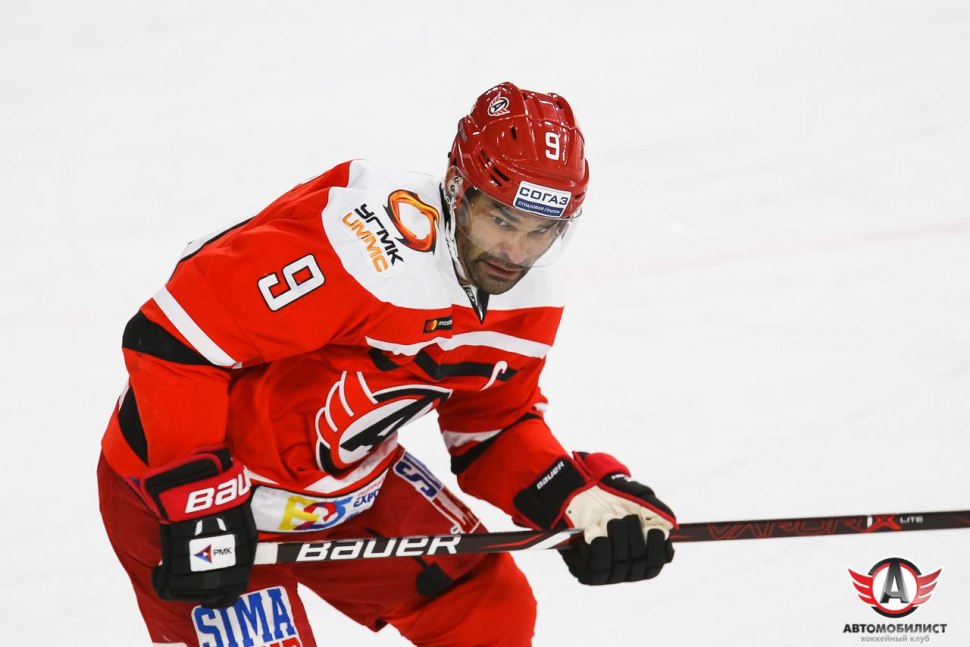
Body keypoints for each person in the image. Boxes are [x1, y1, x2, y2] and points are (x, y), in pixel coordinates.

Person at [98, 81, 677, 647]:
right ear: (457, 188)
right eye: (501, 221)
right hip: (193, 493)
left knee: (487, 611)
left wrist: (571, 496)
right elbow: (172, 339)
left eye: (542, 231)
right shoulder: (358, 247)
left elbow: (491, 424)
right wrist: (199, 502)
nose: (516, 254)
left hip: (345, 494)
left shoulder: (530, 299)